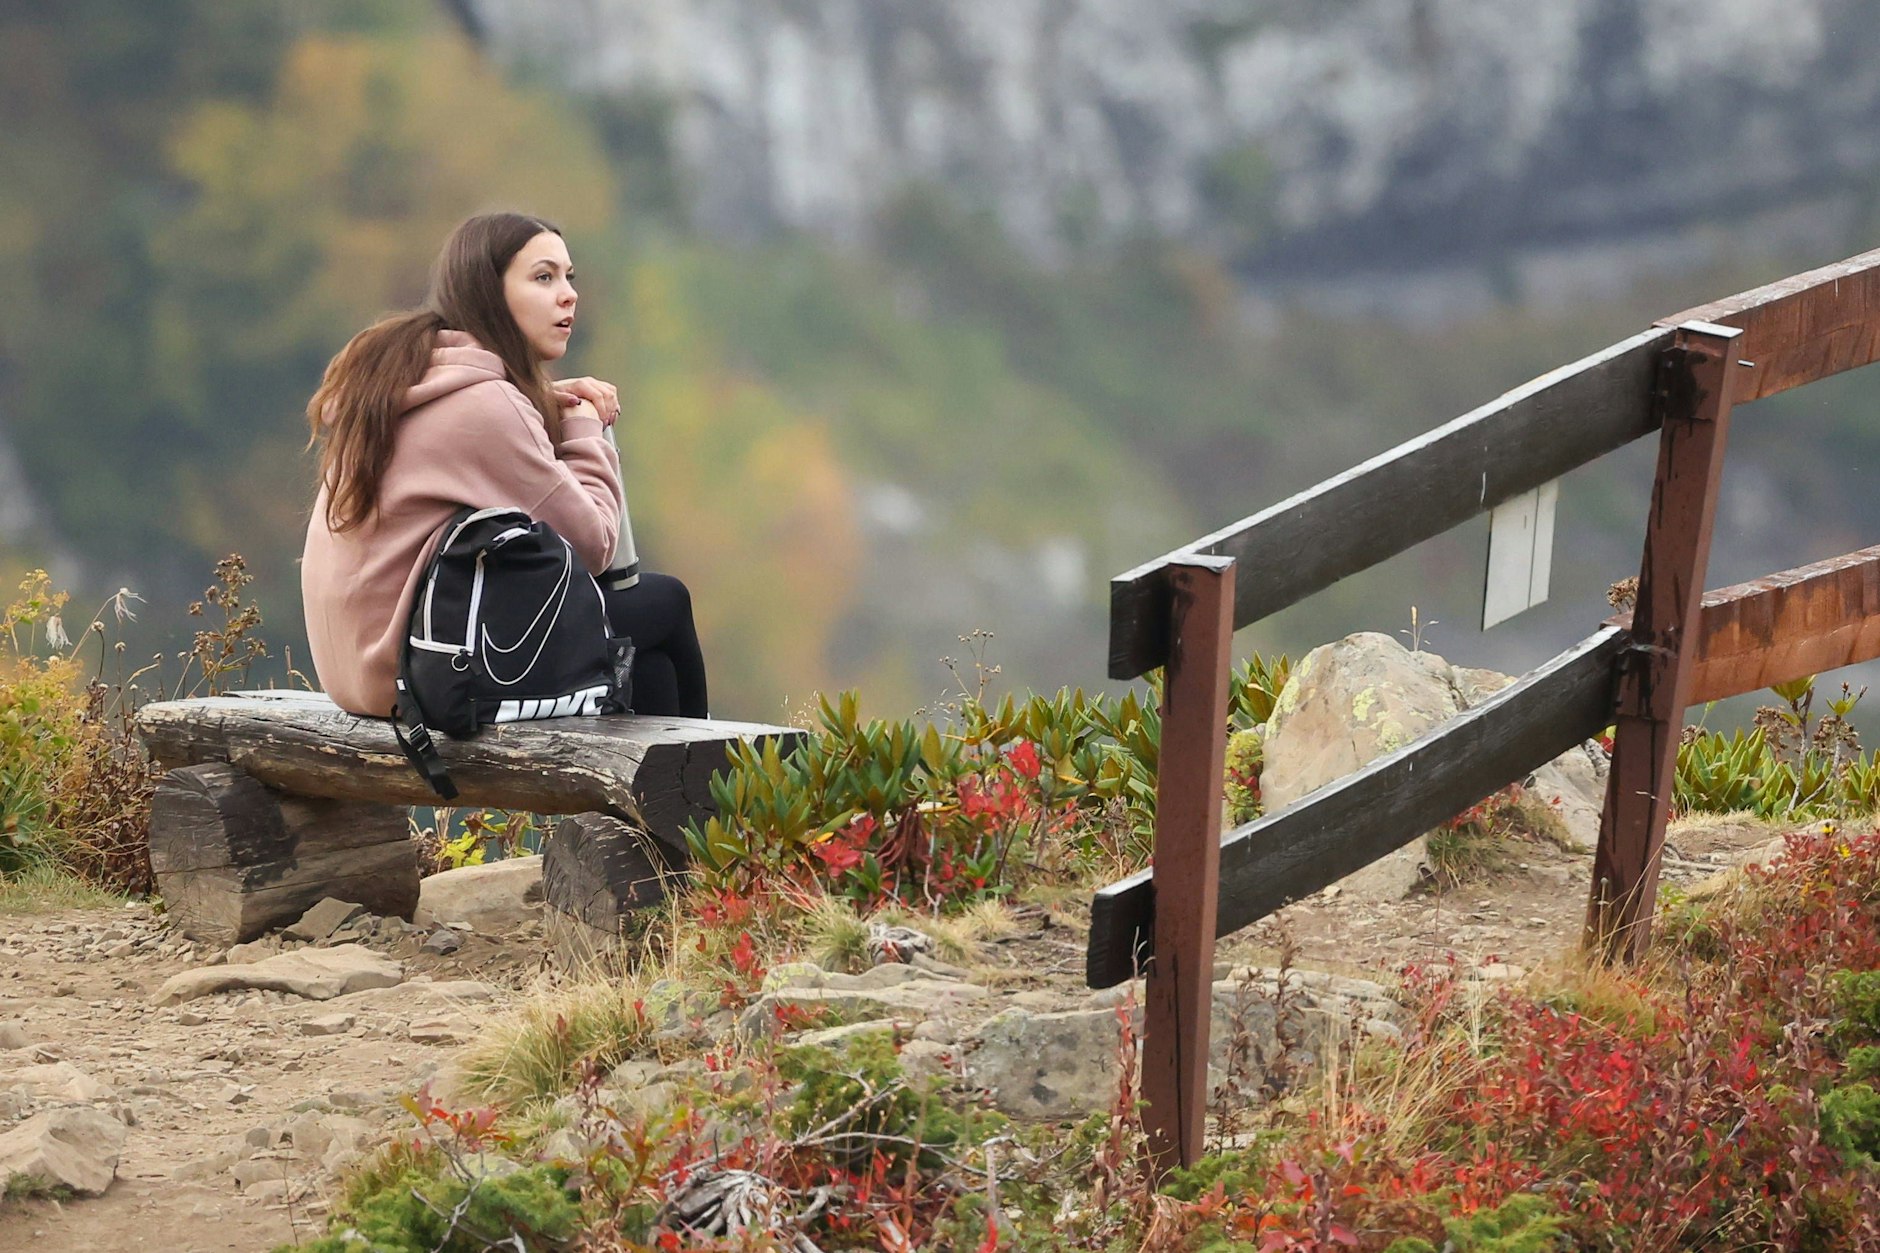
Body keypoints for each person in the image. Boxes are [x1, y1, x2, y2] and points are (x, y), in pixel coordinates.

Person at [300, 211, 708, 720]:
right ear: (489, 294)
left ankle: (669, 793)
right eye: (543, 277)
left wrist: (543, 401)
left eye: (568, 277)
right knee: (665, 602)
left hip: (358, 669)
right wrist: (583, 427)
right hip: (419, 671)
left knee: (648, 664)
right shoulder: (487, 406)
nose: (568, 295)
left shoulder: (406, 377)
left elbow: (475, 433)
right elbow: (596, 546)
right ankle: (713, 798)